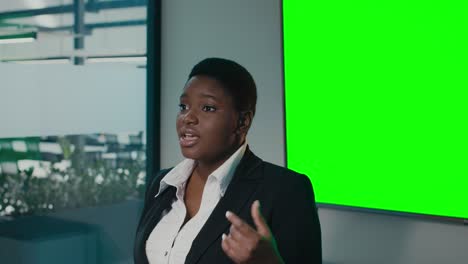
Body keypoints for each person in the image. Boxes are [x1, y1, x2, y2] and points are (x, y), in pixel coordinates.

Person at [134, 58, 322, 264]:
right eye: (183, 106)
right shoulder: (162, 183)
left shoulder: (286, 189)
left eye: (207, 108)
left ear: (242, 122)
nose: (188, 117)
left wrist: (269, 262)